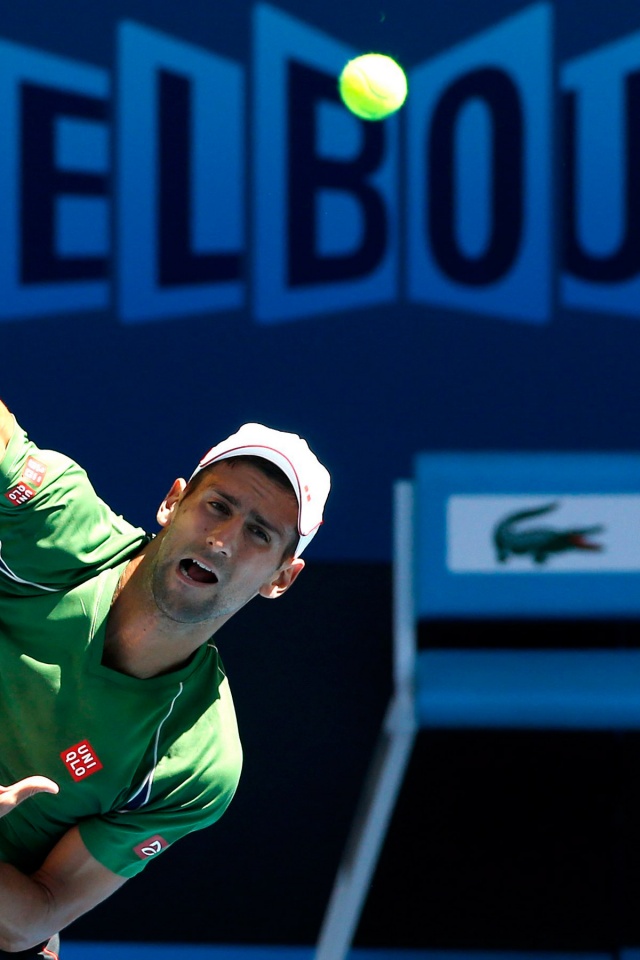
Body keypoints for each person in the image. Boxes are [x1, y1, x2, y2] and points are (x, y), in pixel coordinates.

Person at [0, 398, 330, 958]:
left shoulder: (197, 761)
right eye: (217, 506)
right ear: (173, 502)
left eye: (259, 534)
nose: (222, 540)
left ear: (282, 578)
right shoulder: (52, 521)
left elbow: (38, 915)